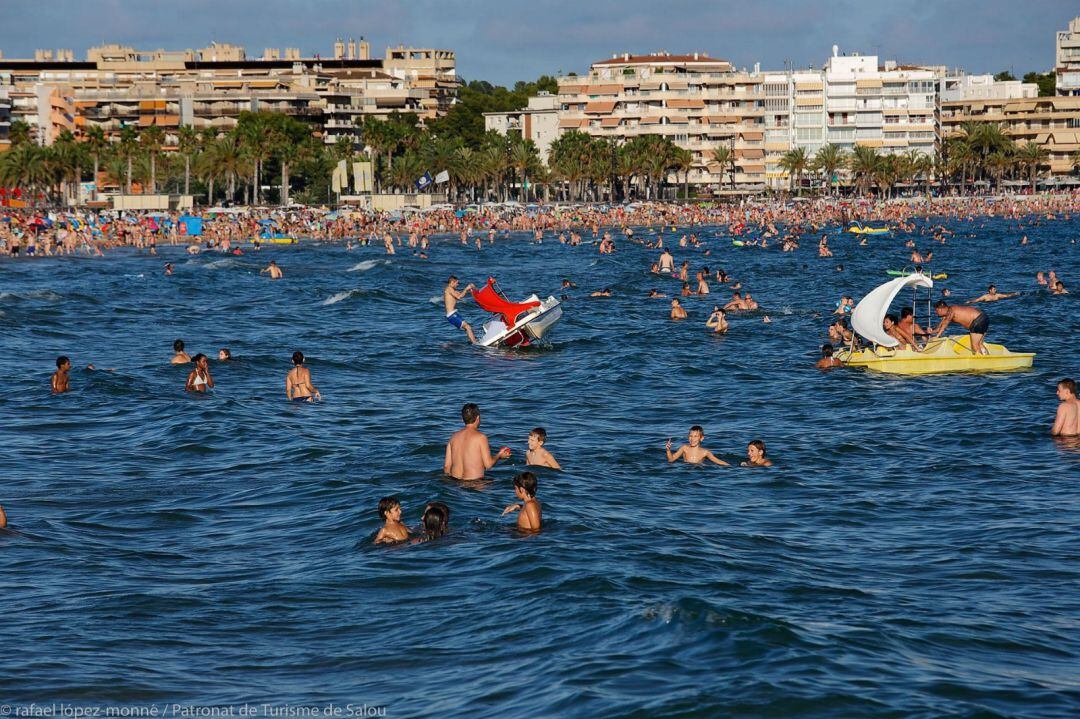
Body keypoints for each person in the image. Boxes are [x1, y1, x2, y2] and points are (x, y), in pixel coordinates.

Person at [444, 403, 510, 480]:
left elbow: (447, 467)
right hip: (475, 484)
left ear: (462, 419)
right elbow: (488, 464)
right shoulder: (481, 437)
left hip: (455, 484)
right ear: (478, 418)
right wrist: (499, 455)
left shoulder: (453, 437)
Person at [444, 276, 477, 344]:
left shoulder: (452, 290)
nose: (457, 285)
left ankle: (474, 342)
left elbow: (460, 294)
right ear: (452, 282)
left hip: (454, 314)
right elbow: (459, 297)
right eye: (457, 283)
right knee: (468, 327)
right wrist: (466, 288)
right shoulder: (449, 289)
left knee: (467, 327)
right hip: (451, 315)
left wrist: (470, 289)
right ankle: (475, 343)